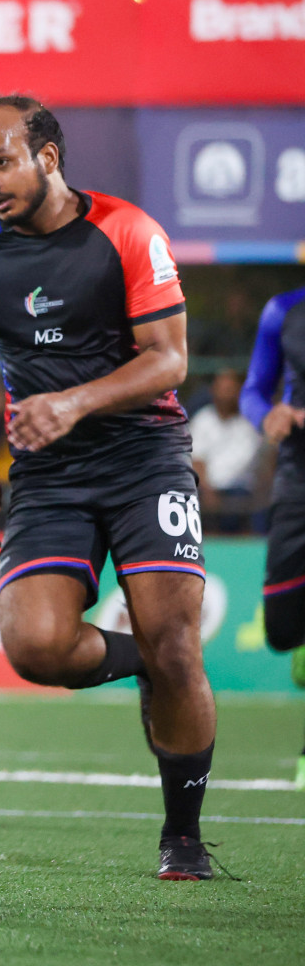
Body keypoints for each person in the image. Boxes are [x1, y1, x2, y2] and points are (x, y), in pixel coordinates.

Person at [0, 95, 217, 880]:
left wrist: (72, 402)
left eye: (0, 162)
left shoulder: (127, 231)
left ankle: (183, 835)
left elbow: (169, 359)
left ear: (47, 158)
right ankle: (152, 662)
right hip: (48, 476)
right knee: (36, 647)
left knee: (177, 638)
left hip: (144, 458)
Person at [238, 287, 305, 789]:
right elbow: (253, 390)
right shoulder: (283, 310)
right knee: (282, 631)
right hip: (297, 479)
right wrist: (269, 415)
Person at [189, 369, 262, 534]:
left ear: (238, 392)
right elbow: (197, 461)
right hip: (207, 490)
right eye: (222, 389)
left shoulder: (249, 424)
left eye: (230, 390)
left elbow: (259, 465)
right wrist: (208, 491)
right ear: (213, 391)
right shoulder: (203, 419)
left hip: (241, 491)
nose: (226, 395)